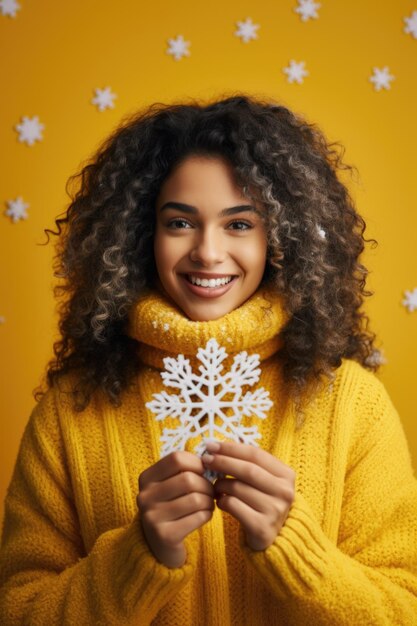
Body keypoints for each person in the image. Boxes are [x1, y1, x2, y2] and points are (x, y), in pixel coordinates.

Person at [0, 94, 416, 625]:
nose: (208, 252)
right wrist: (137, 557)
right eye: (180, 223)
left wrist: (296, 550)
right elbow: (19, 612)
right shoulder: (70, 411)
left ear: (280, 237)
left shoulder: (353, 404)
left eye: (239, 224)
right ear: (139, 236)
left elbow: (404, 611)